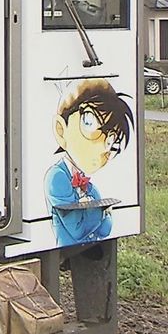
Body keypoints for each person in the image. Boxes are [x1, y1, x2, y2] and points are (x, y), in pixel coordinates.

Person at [45, 78, 133, 246]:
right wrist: (101, 212)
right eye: (89, 123)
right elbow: (77, 230)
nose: (103, 148)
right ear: (60, 129)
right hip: (66, 250)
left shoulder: (88, 184)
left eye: (111, 142)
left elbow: (106, 229)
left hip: (91, 248)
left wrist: (93, 211)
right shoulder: (57, 176)